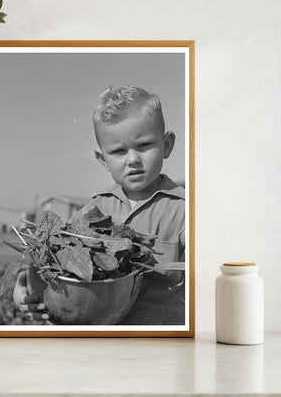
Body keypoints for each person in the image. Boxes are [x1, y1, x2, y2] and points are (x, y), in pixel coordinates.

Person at [13, 85, 185, 325]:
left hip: (162, 343)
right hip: (102, 341)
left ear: (167, 145)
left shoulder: (186, 211)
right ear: (103, 160)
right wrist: (24, 285)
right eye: (118, 151)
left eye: (144, 145)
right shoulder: (95, 209)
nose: (133, 159)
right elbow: (52, 259)